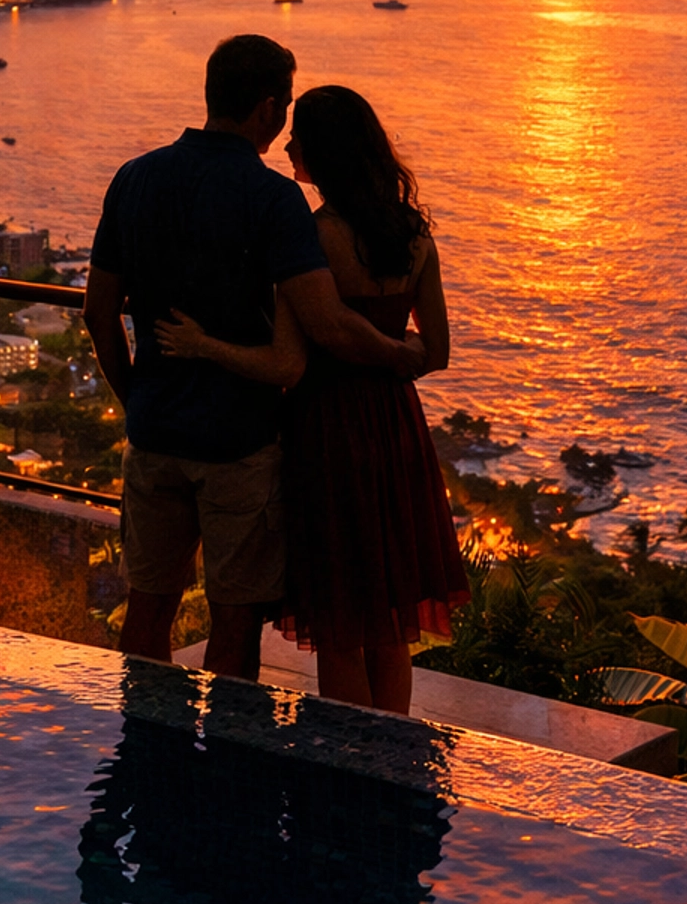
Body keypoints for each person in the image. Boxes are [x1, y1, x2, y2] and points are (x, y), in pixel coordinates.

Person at [83, 35, 421, 684]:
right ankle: (224, 771)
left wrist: (138, 397)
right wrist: (405, 352)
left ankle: (147, 751)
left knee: (147, 609)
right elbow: (310, 336)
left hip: (154, 434)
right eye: (286, 106)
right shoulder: (273, 200)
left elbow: (99, 314)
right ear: (267, 108)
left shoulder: (134, 178)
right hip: (238, 443)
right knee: (233, 630)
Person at [158, 84, 467, 715]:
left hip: (329, 427)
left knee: (341, 624)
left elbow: (290, 355)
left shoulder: (313, 237)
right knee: (387, 619)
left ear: (323, 151)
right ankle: (392, 761)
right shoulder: (416, 237)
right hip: (396, 426)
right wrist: (396, 350)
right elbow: (435, 354)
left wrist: (202, 344)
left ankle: (349, 763)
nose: (290, 143)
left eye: (300, 134)